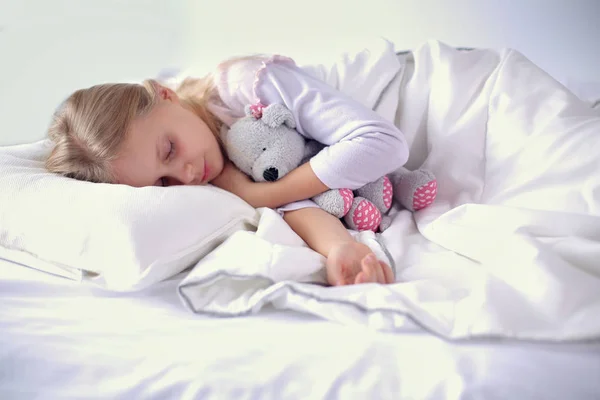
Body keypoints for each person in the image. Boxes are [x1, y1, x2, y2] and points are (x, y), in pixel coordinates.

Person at [45, 54, 426, 287]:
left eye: (170, 150)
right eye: (163, 182)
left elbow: (383, 142)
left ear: (165, 94)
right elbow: (295, 204)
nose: (188, 173)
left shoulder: (246, 85)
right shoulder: (207, 170)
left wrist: (259, 195)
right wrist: (340, 248)